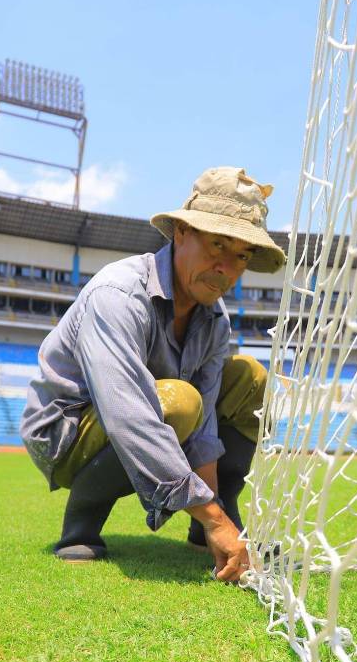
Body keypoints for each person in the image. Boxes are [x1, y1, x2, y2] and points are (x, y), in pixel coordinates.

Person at [20, 166, 286, 582]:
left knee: (250, 377)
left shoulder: (216, 321)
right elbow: (127, 410)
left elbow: (206, 424)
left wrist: (212, 512)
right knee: (180, 400)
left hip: (156, 411)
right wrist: (216, 520)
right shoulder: (119, 293)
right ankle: (83, 518)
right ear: (181, 233)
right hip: (66, 433)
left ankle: (208, 520)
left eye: (242, 255)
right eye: (217, 244)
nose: (227, 268)